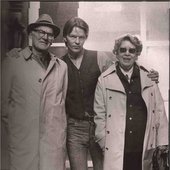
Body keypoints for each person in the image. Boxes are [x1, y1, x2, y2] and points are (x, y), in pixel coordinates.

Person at [61, 17, 159, 170]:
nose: (77, 41)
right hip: (75, 128)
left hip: (100, 125)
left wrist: (149, 74)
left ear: (86, 38)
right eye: (73, 36)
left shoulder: (99, 58)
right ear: (65, 38)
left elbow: (125, 63)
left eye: (81, 37)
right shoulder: (59, 64)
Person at [1, 14, 68, 170]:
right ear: (31, 34)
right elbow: (3, 105)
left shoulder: (61, 67)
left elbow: (61, 103)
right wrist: (17, 130)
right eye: (41, 32)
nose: (45, 37)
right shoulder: (12, 62)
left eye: (50, 34)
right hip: (23, 143)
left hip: (52, 145)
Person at [94, 34, 168, 170]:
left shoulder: (149, 78)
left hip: (143, 146)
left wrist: (162, 142)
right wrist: (104, 142)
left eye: (132, 50)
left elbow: (159, 111)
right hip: (116, 149)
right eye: (123, 50)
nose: (127, 54)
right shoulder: (104, 80)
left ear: (137, 54)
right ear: (116, 53)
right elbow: (99, 116)